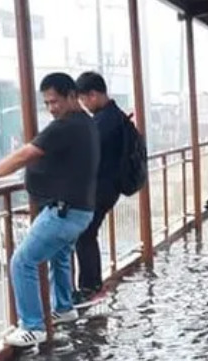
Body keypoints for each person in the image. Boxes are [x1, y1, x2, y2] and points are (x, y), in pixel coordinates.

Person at [0, 73, 100, 348]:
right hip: (81, 211)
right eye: (47, 104)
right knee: (61, 256)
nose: (51, 108)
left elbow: (24, 155)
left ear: (70, 96)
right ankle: (64, 308)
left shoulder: (64, 127)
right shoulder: (86, 124)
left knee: (22, 262)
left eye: (55, 102)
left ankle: (32, 327)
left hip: (64, 212)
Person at [73, 71, 127, 308]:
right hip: (110, 187)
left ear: (93, 95)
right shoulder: (116, 116)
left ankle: (90, 288)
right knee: (87, 234)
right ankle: (92, 285)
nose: (84, 105)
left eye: (84, 99)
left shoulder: (103, 122)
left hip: (101, 188)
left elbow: (88, 155)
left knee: (84, 234)